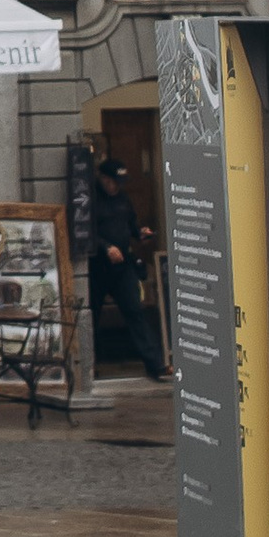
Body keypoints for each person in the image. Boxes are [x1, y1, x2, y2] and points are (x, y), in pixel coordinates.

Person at [87, 160, 162, 376]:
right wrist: (105, 247)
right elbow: (87, 230)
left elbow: (131, 225)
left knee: (135, 311)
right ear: (102, 179)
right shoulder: (91, 200)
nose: (115, 186)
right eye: (112, 182)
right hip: (97, 267)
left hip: (122, 266)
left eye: (118, 182)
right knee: (91, 315)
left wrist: (140, 234)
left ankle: (155, 363)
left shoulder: (123, 199)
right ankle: (89, 367)